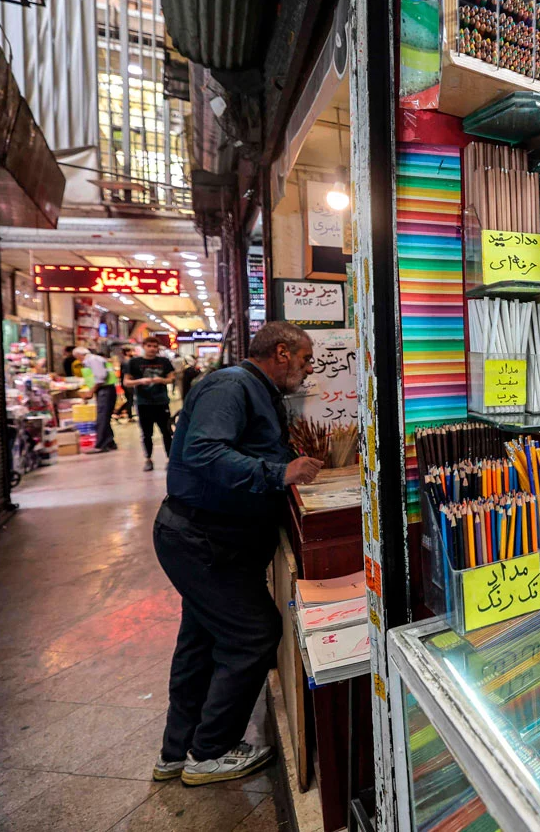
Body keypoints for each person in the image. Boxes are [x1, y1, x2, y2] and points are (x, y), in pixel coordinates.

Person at [151, 322, 323, 786]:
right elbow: (203, 451)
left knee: (200, 642)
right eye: (306, 359)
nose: (309, 370)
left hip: (213, 540)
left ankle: (177, 750)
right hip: (203, 539)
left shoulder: (257, 390)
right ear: (282, 352)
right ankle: (210, 752)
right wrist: (278, 472)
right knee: (253, 634)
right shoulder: (231, 384)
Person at [125, 336, 176, 472]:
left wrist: (162, 380)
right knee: (146, 433)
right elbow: (127, 382)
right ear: (144, 346)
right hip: (143, 403)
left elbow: (172, 378)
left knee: (166, 432)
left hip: (161, 402)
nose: (152, 349)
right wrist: (140, 381)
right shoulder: (134, 363)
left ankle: (170, 459)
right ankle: (148, 459)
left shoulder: (164, 362)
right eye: (149, 346)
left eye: (155, 346)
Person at [75, 346, 118, 453]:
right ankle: (109, 442)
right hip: (104, 390)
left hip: (105, 390)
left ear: (80, 355)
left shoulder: (93, 360)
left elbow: (100, 378)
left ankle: (101, 445)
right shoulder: (93, 359)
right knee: (105, 417)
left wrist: (91, 391)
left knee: (102, 417)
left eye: (76, 357)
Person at [116, 347, 136, 423]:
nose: (132, 352)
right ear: (127, 352)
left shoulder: (126, 361)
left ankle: (125, 414)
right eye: (131, 351)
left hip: (126, 383)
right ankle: (120, 412)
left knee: (130, 400)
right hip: (128, 383)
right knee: (130, 400)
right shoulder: (127, 361)